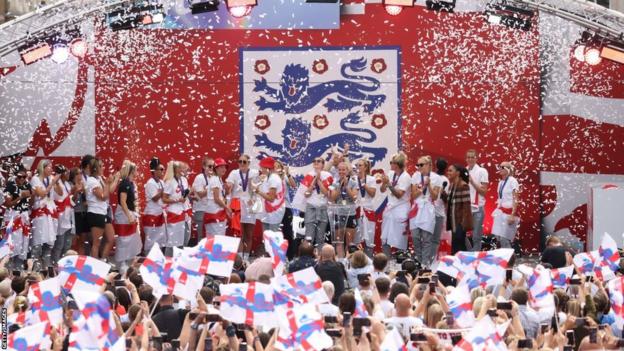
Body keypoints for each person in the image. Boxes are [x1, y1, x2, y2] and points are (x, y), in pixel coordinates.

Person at [409, 155, 442, 268]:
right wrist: (423, 187)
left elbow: (435, 196)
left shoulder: (436, 177)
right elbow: (413, 195)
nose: (419, 167)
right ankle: (419, 260)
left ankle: (425, 264)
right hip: (416, 208)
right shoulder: (415, 176)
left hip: (428, 209)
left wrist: (430, 185)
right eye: (417, 165)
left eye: (421, 165)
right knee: (415, 236)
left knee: (427, 238)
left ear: (429, 165)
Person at [226, 154, 258, 257]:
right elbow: (229, 188)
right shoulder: (234, 173)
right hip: (237, 205)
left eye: (244, 162)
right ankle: (239, 260)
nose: (242, 164)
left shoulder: (254, 173)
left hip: (250, 205)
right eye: (240, 161)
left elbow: (257, 190)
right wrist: (228, 187)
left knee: (249, 234)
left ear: (249, 163)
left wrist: (253, 199)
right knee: (238, 234)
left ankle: (246, 259)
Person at [30, 159, 59, 271]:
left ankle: (46, 270)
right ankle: (35, 271)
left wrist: (55, 182)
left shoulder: (50, 179)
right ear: (43, 167)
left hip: (49, 215)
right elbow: (41, 194)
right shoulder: (35, 179)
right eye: (49, 167)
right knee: (38, 242)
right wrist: (52, 183)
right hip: (40, 214)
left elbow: (60, 193)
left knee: (49, 243)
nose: (51, 169)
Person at [113, 161, 142, 272]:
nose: (137, 172)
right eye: (136, 170)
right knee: (124, 241)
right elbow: (122, 202)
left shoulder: (130, 183)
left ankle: (128, 265)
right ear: (131, 171)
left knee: (132, 241)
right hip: (124, 216)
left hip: (129, 215)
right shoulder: (125, 184)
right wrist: (129, 215)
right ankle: (121, 267)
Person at [380, 152, 411, 255]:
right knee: (385, 237)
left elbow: (399, 195)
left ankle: (401, 263)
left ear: (397, 164)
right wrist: (384, 183)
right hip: (390, 210)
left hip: (401, 210)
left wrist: (388, 184)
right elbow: (382, 190)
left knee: (400, 239)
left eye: (391, 162)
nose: (390, 164)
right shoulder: (390, 173)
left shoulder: (406, 177)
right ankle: (386, 263)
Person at [2, 165, 32, 271]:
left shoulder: (27, 185)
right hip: (13, 216)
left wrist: (30, 196)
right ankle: (8, 271)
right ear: (16, 176)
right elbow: (8, 204)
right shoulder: (10, 185)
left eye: (24, 177)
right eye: (20, 177)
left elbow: (30, 203)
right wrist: (20, 196)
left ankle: (17, 271)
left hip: (24, 216)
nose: (22, 179)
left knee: (23, 244)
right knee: (12, 245)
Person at [86, 158, 115, 260]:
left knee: (111, 238)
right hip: (95, 212)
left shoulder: (99, 179)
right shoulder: (91, 181)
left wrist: (112, 180)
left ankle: (102, 261)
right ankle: (95, 266)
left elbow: (108, 192)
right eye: (101, 166)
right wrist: (107, 183)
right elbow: (103, 196)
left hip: (102, 212)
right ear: (95, 168)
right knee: (96, 243)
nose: (103, 168)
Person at [329, 161, 357, 258]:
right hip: (338, 213)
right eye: (339, 170)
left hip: (350, 213)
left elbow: (354, 197)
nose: (341, 172)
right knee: (339, 241)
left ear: (348, 171)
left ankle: (349, 262)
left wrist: (347, 186)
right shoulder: (335, 183)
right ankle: (341, 261)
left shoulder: (354, 182)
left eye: (343, 170)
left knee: (350, 242)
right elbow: (332, 198)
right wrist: (340, 186)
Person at [303, 157, 333, 250]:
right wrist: (315, 179)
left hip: (323, 208)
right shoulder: (309, 175)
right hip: (311, 208)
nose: (316, 162)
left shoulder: (328, 176)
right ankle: (307, 258)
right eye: (314, 161)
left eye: (318, 161)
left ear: (323, 164)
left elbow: (326, 193)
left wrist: (319, 181)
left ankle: (320, 258)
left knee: (320, 237)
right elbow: (306, 194)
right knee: (309, 237)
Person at [445, 164, 473, 254]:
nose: (448, 173)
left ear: (457, 173)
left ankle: (463, 265)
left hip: (460, 222)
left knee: (459, 246)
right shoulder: (452, 185)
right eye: (448, 170)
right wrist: (443, 195)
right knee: (455, 245)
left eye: (450, 171)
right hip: (453, 221)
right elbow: (451, 202)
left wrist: (463, 223)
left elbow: (466, 206)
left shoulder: (463, 185)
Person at [491, 161, 520, 249]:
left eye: (502, 167)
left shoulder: (513, 181)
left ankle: (509, 260)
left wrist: (513, 214)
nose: (500, 168)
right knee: (497, 236)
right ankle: (504, 258)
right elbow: (500, 198)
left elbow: (516, 198)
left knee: (504, 238)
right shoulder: (500, 183)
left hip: (509, 213)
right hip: (501, 212)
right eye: (499, 166)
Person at [162, 161, 188, 256]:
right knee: (172, 241)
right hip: (173, 213)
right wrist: (177, 200)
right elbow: (164, 199)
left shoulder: (182, 180)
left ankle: (177, 261)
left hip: (181, 212)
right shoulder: (170, 182)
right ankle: (168, 261)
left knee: (180, 240)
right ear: (176, 169)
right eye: (181, 168)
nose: (183, 170)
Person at [51, 165, 74, 267]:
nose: (69, 174)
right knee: (59, 244)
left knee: (67, 245)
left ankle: (65, 265)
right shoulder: (56, 184)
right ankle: (56, 265)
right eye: (66, 172)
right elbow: (59, 196)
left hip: (68, 216)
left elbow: (71, 200)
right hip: (60, 216)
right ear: (61, 174)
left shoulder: (68, 185)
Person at [466, 149, 489, 251]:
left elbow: (484, 192)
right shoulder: (465, 170)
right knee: (460, 234)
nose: (470, 159)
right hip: (466, 207)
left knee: (476, 236)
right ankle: (471, 253)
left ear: (476, 158)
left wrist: (472, 182)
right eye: (468, 157)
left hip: (478, 207)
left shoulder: (482, 171)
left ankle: (475, 257)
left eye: (472, 157)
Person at [254, 156, 285, 232]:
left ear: (267, 168)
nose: (261, 169)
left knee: (272, 239)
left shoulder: (273, 178)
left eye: (262, 167)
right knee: (266, 238)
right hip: (268, 212)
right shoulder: (268, 177)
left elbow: (271, 198)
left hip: (274, 213)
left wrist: (258, 192)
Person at [353, 159, 377, 257]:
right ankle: (357, 262)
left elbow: (372, 194)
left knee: (369, 239)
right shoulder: (354, 179)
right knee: (357, 239)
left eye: (360, 165)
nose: (358, 167)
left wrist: (364, 184)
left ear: (366, 167)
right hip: (357, 210)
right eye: (357, 165)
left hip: (368, 211)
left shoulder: (371, 179)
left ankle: (370, 262)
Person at [143, 157, 166, 255]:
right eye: (161, 169)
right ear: (154, 171)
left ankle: (158, 257)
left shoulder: (161, 182)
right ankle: (148, 257)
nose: (163, 171)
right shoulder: (150, 183)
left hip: (160, 214)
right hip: (152, 215)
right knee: (151, 238)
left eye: (163, 169)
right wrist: (163, 191)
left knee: (161, 237)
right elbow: (155, 198)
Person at [203, 158, 231, 238]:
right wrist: (227, 207)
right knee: (216, 238)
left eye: (225, 167)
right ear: (216, 168)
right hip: (215, 212)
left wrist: (227, 190)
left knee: (217, 237)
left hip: (217, 211)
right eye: (221, 167)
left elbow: (221, 196)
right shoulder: (215, 180)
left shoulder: (219, 179)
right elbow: (216, 199)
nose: (224, 169)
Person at [276, 160, 297, 259]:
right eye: (275, 166)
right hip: (274, 209)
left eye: (278, 166)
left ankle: (290, 256)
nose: (277, 168)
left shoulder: (285, 177)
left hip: (286, 207)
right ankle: (278, 256)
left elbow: (294, 185)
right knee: (276, 233)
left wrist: (288, 173)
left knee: (288, 232)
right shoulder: (270, 178)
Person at [74, 154, 94, 255]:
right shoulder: (79, 176)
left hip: (89, 211)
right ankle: (81, 263)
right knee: (81, 239)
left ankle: (90, 260)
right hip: (80, 211)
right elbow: (76, 191)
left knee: (91, 238)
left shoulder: (93, 177)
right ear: (87, 166)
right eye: (93, 164)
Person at [191, 157, 215, 241]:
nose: (212, 168)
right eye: (209, 166)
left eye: (213, 166)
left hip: (211, 210)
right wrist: (210, 188)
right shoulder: (200, 177)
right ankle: (201, 254)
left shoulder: (213, 178)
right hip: (201, 210)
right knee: (201, 237)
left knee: (210, 236)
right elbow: (200, 194)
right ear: (204, 166)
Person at [432, 158, 449, 263]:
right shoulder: (445, 180)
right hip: (438, 212)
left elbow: (445, 198)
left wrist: (443, 195)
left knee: (432, 239)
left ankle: (432, 261)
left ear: (435, 165)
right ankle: (432, 260)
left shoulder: (434, 178)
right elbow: (446, 199)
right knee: (435, 239)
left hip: (436, 212)